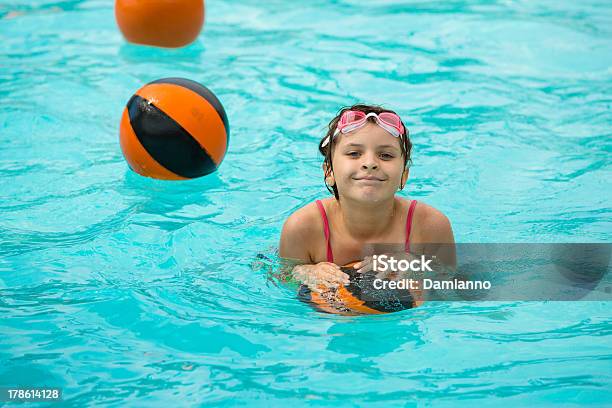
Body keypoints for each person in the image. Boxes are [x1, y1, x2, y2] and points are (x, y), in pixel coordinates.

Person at [279, 104, 456, 298]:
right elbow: (281, 278)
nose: (370, 163)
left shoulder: (429, 226)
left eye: (386, 155)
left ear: (404, 176)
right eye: (354, 153)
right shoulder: (303, 228)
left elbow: (453, 284)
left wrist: (415, 265)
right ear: (329, 172)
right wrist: (303, 272)